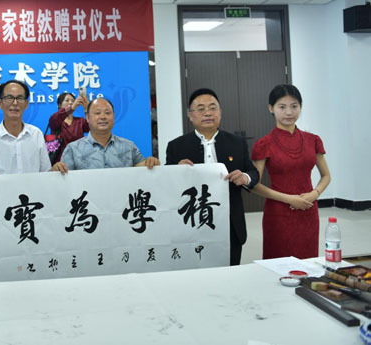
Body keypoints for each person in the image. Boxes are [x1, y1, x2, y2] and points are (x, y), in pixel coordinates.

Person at [165, 88, 259, 266]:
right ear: (190, 115)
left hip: (229, 223)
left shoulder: (237, 143)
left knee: (230, 271)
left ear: (220, 112)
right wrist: (175, 172)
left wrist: (245, 177)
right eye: (200, 109)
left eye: (212, 108)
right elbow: (166, 184)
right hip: (191, 222)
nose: (207, 113)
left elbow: (254, 173)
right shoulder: (176, 146)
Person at [251, 84, 331, 259]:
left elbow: (326, 176)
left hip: (308, 208)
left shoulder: (313, 140)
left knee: (308, 261)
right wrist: (289, 199)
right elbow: (254, 185)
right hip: (278, 212)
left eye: (294, 106)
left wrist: (314, 194)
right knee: (279, 261)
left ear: (300, 107)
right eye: (282, 107)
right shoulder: (264, 144)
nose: (289, 112)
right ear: (271, 108)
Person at [0, 80, 51, 251]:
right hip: (3, 217)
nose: (15, 103)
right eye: (9, 98)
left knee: (37, 263)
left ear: (26, 103)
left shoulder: (36, 134)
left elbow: (46, 177)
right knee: (9, 262)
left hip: (36, 216)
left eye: (19, 98)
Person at [52, 97, 160, 172]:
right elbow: (64, 182)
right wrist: (57, 170)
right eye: (97, 113)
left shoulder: (129, 147)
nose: (103, 117)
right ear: (88, 118)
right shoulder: (73, 149)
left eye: (107, 113)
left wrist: (150, 163)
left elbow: (142, 171)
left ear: (113, 117)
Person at [47, 92, 90, 163]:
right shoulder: (56, 120)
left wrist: (87, 109)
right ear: (59, 105)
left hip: (79, 160)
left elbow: (92, 127)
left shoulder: (80, 121)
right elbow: (54, 119)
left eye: (73, 101)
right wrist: (72, 107)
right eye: (67, 100)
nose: (70, 102)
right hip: (60, 162)